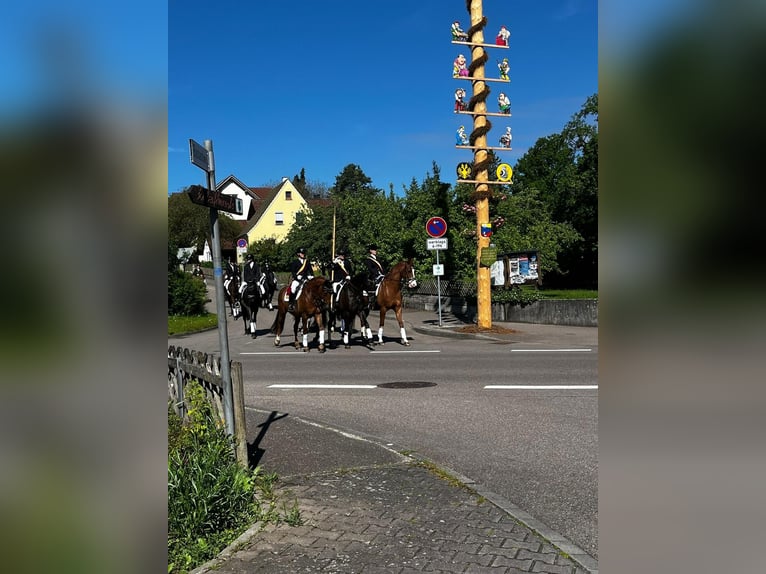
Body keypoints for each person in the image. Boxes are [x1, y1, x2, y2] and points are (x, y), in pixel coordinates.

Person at [287, 247, 314, 312]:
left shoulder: (307, 262)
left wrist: (311, 276)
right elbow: (293, 272)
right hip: (297, 280)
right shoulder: (295, 262)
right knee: (293, 288)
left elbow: (310, 271)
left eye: (304, 253)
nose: (303, 254)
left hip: (305, 279)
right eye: (302, 253)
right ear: (298, 254)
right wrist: (296, 276)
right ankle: (291, 304)